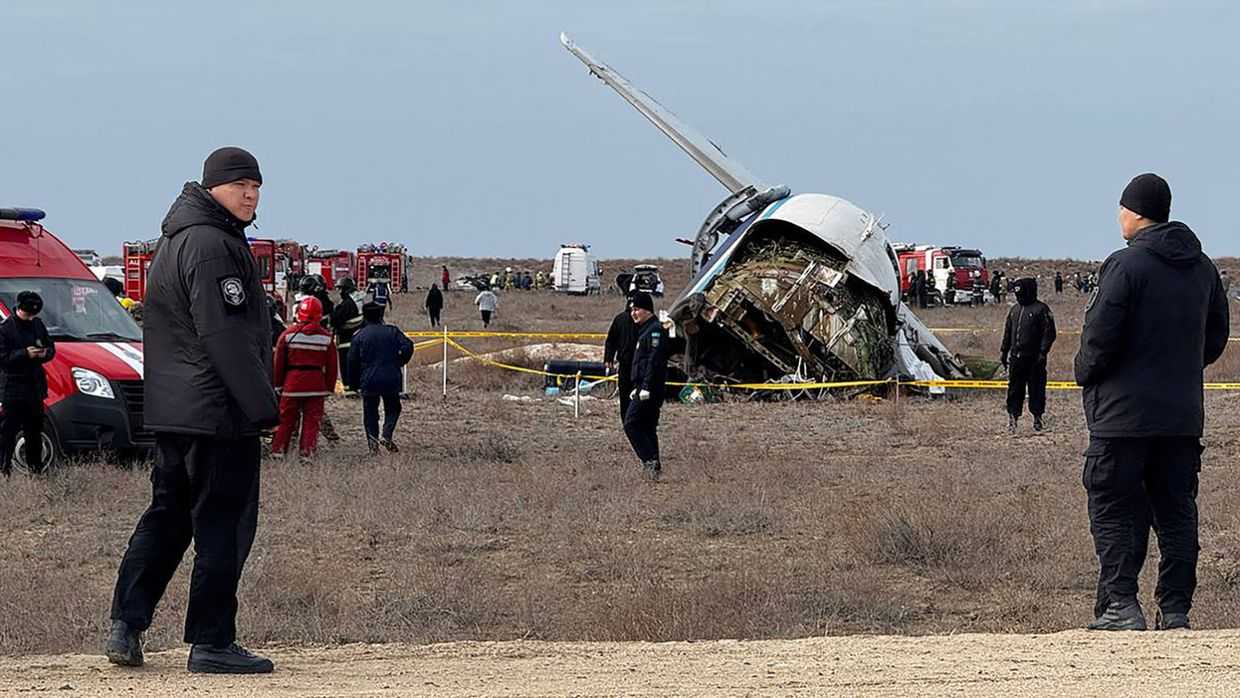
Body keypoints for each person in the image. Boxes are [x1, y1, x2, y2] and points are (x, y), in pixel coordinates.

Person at [107, 147, 279, 674]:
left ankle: (126, 625)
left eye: (257, 186)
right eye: (241, 185)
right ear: (213, 189)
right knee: (222, 525)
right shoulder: (213, 245)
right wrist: (262, 407)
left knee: (167, 517)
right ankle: (212, 642)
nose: (250, 195)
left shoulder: (176, 240)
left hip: (176, 411)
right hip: (218, 414)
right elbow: (223, 334)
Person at [1074, 173, 1229, 632]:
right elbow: (1216, 336)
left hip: (1122, 418)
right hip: (1181, 417)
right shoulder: (1202, 268)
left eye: (1122, 207)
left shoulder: (1125, 266)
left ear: (1135, 211)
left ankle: (1121, 605)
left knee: (1114, 506)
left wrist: (1086, 371)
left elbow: (1100, 337)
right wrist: (1178, 370)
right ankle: (1176, 610)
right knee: (1177, 511)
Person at [271, 297, 337, 458]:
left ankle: (278, 451)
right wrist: (328, 388)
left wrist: (278, 385)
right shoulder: (326, 338)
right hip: (316, 385)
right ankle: (307, 454)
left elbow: (278, 363)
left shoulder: (288, 335)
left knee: (286, 419)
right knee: (312, 421)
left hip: (292, 383)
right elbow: (332, 367)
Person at [0, 291, 55, 476]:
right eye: (27, 314)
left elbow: (51, 348)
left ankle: (36, 470)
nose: (30, 317)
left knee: (34, 432)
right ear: (19, 308)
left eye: (34, 314)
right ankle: (4, 469)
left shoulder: (38, 325)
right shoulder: (6, 329)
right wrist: (25, 353)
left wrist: (44, 353)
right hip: (14, 388)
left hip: (35, 387)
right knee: (8, 432)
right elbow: (3, 358)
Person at [348, 302, 414, 453]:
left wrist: (352, 384)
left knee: (370, 413)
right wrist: (400, 361)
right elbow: (408, 346)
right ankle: (387, 433)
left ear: (364, 316)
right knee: (393, 408)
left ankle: (373, 446)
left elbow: (352, 361)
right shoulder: (392, 331)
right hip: (391, 377)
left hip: (368, 379)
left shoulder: (359, 336)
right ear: (381, 315)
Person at [623, 293, 669, 482]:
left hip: (650, 388)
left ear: (647, 310)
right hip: (642, 386)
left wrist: (646, 386)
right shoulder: (644, 330)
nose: (634, 313)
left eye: (637, 309)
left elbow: (654, 361)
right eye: (632, 310)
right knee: (647, 427)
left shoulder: (655, 331)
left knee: (631, 423)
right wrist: (637, 385)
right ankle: (654, 468)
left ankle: (649, 461)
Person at [1000, 278, 1056, 433]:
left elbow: (1049, 333)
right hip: (1016, 358)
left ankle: (1037, 417)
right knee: (1014, 389)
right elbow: (1008, 332)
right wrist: (1004, 351)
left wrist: (1043, 352)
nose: (1018, 296)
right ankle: (1013, 418)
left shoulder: (1041, 309)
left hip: (1035, 359)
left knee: (1036, 389)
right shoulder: (1014, 310)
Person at [604, 296, 639, 423]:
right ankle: (626, 419)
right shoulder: (620, 319)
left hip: (640, 364)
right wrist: (608, 357)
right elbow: (611, 340)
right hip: (624, 363)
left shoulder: (643, 322)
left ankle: (635, 418)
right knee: (624, 393)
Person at [330, 277, 363, 392]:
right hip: (354, 339)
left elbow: (335, 320)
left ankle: (350, 389)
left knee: (346, 366)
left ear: (345, 289)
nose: (338, 292)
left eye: (340, 289)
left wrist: (333, 313)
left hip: (346, 340)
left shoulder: (347, 304)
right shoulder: (354, 302)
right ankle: (355, 387)